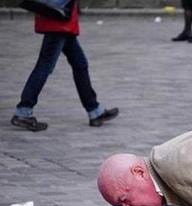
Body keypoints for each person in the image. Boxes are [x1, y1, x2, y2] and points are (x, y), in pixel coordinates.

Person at [10, 0, 119, 132]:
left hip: (61, 20)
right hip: (58, 21)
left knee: (80, 64)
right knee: (44, 66)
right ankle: (23, 111)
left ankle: (94, 110)